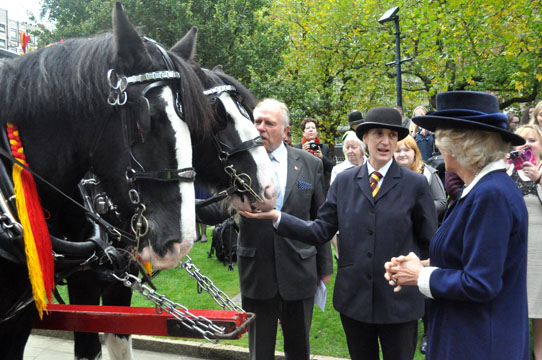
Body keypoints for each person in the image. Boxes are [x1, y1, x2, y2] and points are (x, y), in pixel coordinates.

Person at [242, 106, 437, 360]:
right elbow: (320, 230)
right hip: (355, 302)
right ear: (364, 137)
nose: (386, 141)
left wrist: (415, 269)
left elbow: (429, 243)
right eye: (378, 133)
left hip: (399, 303)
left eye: (392, 135)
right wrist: (277, 217)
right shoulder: (344, 182)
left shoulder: (415, 184)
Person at [384, 91, 529, 360]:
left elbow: (481, 282)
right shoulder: (479, 190)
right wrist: (421, 265)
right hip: (469, 335)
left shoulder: (492, 194)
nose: (438, 147)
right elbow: (470, 256)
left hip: (480, 343)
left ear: (458, 145)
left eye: (440, 138)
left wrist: (420, 277)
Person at [238, 98, 333, 360]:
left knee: (299, 349)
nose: (260, 128)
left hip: (300, 270)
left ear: (286, 130)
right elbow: (217, 208)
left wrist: (325, 266)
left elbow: (319, 217)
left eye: (269, 123)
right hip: (257, 272)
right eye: (257, 122)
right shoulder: (239, 165)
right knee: (260, 351)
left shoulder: (309, 164)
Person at [507, 123, 542, 360]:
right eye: (521, 140)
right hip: (514, 249)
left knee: (540, 315)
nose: (526, 145)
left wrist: (538, 178)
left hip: (540, 251)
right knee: (512, 315)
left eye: (532, 140)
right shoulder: (506, 171)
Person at [329, 131, 366, 260]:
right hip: (348, 222)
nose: (350, 151)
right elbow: (335, 198)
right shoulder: (338, 170)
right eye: (347, 147)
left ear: (362, 148)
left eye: (353, 147)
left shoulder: (371, 166)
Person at [394, 135, 446, 218]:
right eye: (397, 151)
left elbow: (441, 202)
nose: (402, 154)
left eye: (406, 150)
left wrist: (417, 209)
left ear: (414, 152)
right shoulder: (388, 174)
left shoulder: (428, 173)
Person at [296, 117, 335, 191]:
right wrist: (303, 152)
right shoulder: (297, 148)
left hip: (321, 186)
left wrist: (322, 157)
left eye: (313, 128)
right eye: (308, 128)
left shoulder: (324, 148)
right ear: (303, 132)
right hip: (304, 185)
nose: (310, 130)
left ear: (316, 132)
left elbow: (331, 168)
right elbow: (294, 167)